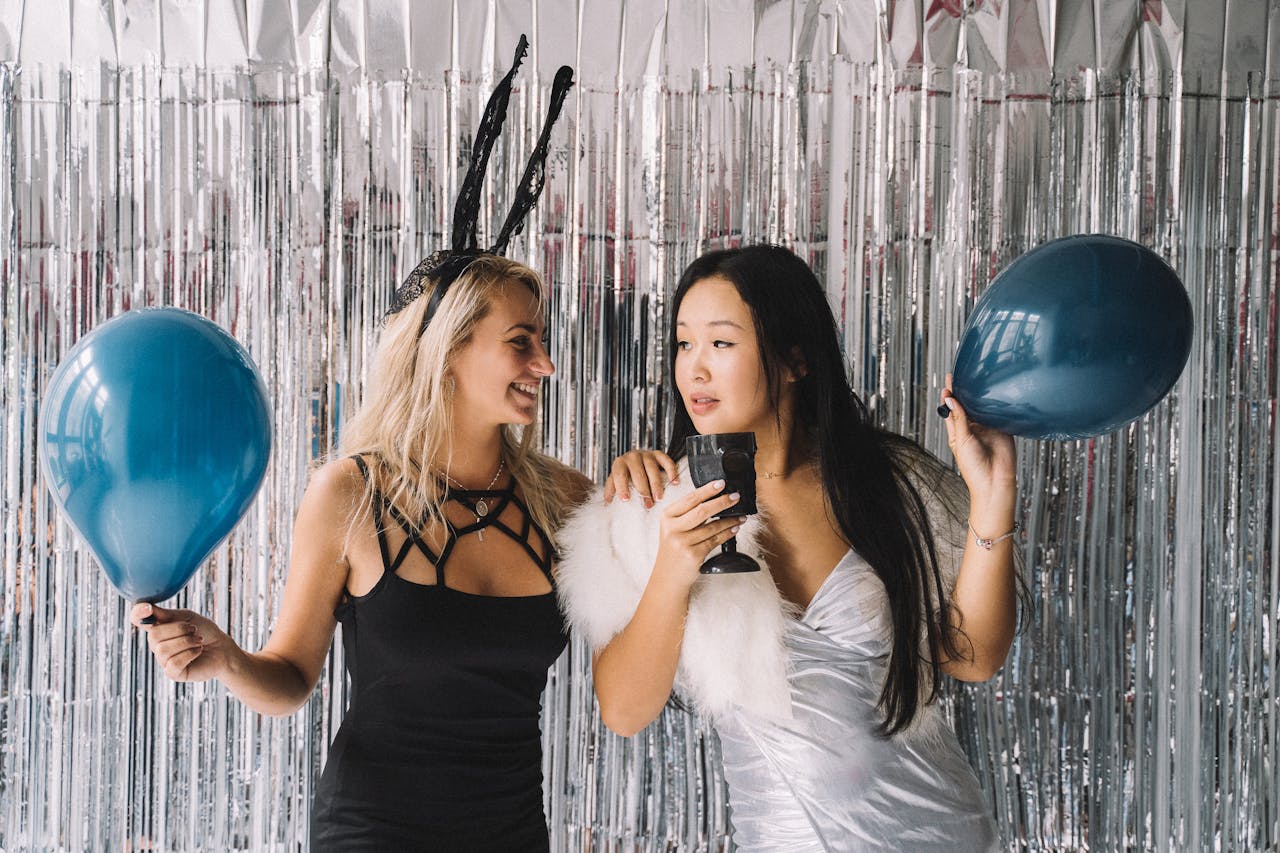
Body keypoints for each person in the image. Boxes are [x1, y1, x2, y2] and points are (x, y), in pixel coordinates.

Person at [558, 244, 1022, 852]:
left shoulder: (892, 482)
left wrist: (994, 498)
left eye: (721, 344)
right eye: (682, 344)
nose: (694, 369)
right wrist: (674, 567)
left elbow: (973, 658)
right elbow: (621, 711)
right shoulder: (654, 501)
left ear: (796, 359)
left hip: (942, 830)